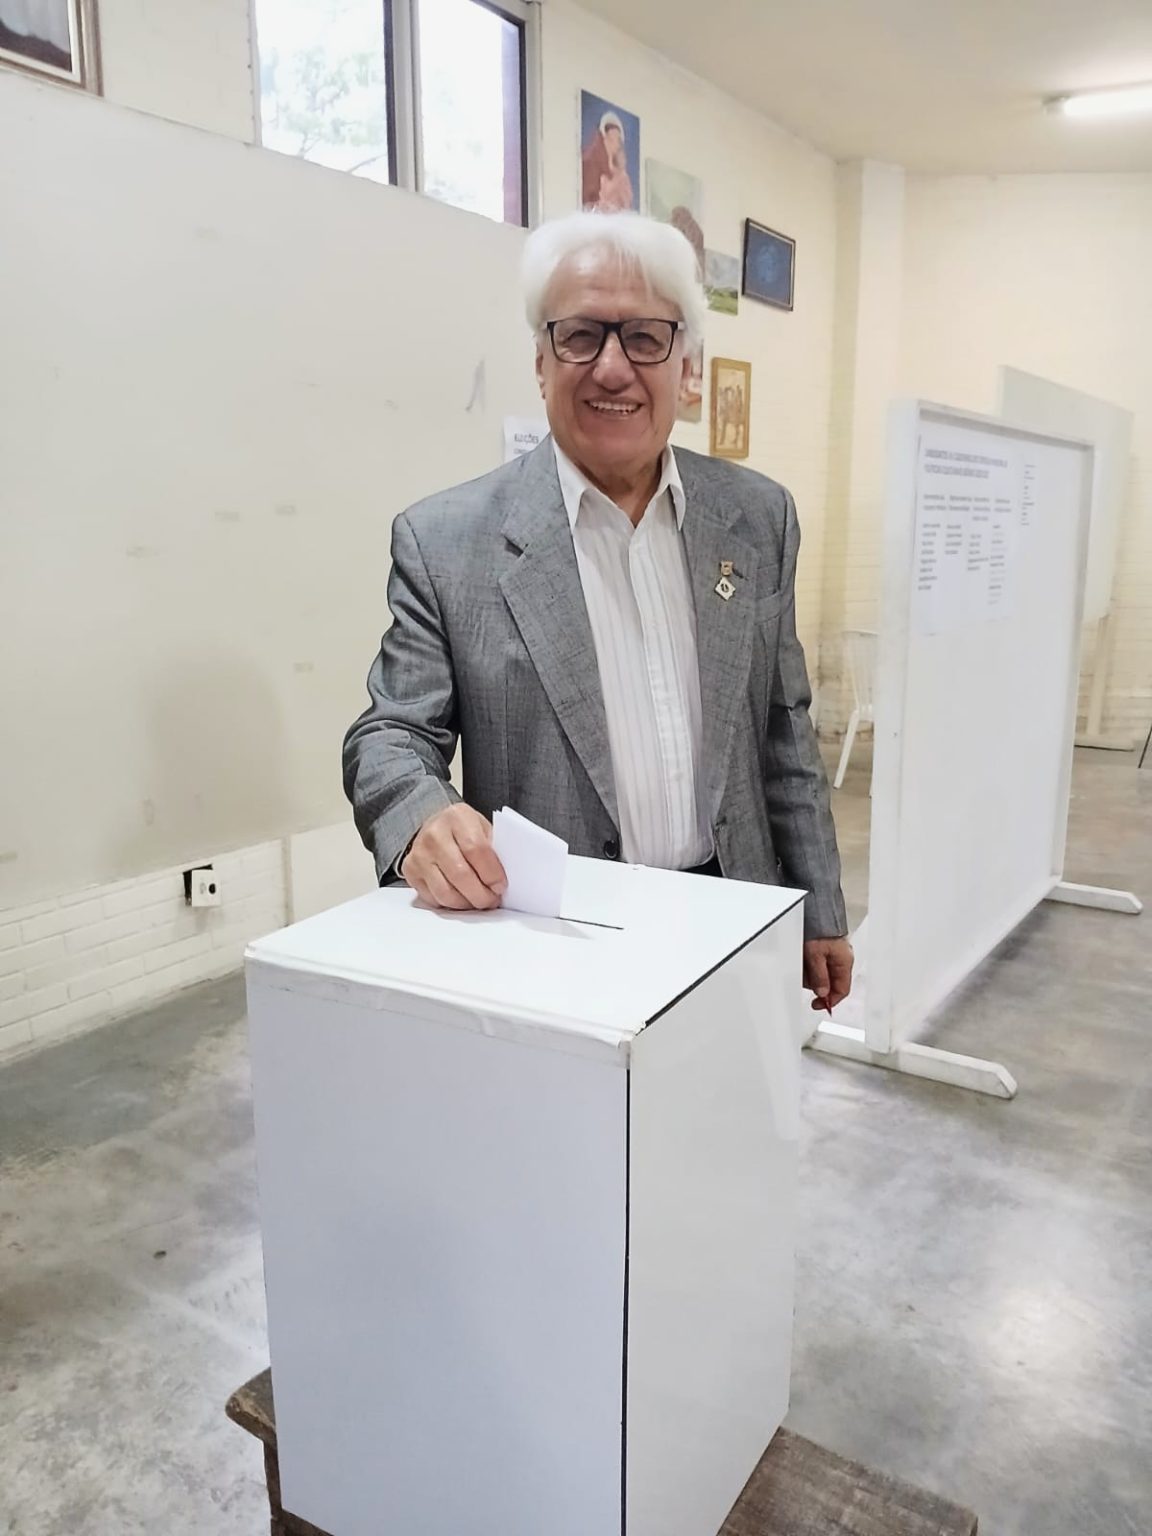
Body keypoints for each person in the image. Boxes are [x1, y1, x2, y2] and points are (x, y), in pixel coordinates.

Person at [343, 211, 853, 1012]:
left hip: (735, 920)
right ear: (541, 362)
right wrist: (420, 817)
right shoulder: (448, 544)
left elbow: (784, 729)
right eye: (581, 336)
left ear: (685, 364)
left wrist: (819, 905)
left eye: (645, 337)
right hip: (557, 943)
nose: (612, 369)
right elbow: (390, 734)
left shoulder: (757, 519)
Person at [581, 112, 633, 213]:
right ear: (605, 137)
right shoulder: (590, 162)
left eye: (617, 139)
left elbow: (626, 203)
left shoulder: (620, 175)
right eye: (612, 138)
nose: (616, 143)